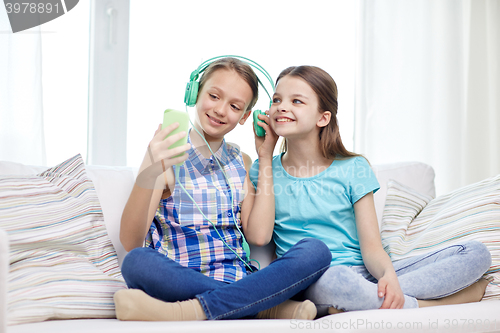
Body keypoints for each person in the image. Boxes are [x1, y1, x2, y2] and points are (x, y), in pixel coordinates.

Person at [248, 65, 492, 316]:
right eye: (276, 99)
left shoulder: (354, 167)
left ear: (323, 118)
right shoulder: (263, 169)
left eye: (296, 101)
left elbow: (372, 247)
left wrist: (388, 277)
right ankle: (431, 304)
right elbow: (259, 237)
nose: (281, 106)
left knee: (475, 253)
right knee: (337, 281)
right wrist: (265, 156)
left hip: (364, 274)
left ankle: (360, 301)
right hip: (317, 280)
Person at [114, 57, 332, 321]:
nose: (220, 110)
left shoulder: (242, 162)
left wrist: (265, 156)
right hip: (180, 279)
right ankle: (265, 307)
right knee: (137, 262)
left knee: (316, 251)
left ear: (244, 116)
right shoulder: (165, 153)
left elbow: (259, 236)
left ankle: (190, 311)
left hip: (238, 276)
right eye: (214, 96)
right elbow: (130, 239)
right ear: (195, 94)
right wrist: (152, 167)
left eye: (234, 106)